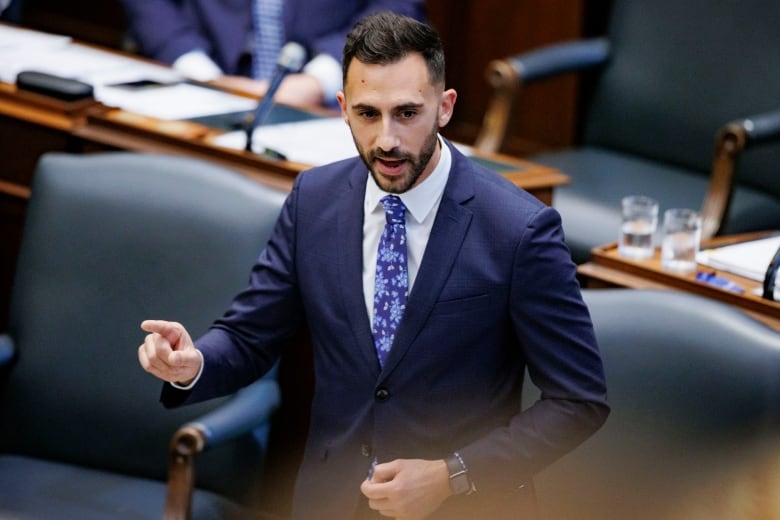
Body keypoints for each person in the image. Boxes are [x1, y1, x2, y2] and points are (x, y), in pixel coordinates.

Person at [138, 11, 609, 520]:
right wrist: (194, 363)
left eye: (407, 113)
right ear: (342, 108)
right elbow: (251, 334)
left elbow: (579, 400)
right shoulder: (312, 200)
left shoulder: (519, 230)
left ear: (445, 107)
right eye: (368, 114)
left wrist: (452, 474)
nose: (386, 139)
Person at [119, 0, 424, 108]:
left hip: (329, 100)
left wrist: (319, 82)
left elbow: (398, 7)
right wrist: (198, 72)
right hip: (194, 85)